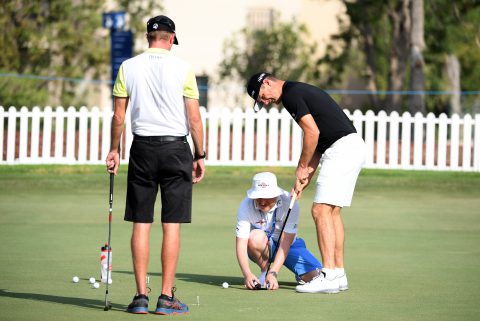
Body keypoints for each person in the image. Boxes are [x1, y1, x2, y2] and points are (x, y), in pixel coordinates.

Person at [105, 15, 205, 315]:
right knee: (171, 223)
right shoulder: (184, 67)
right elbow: (195, 119)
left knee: (141, 222)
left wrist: (114, 149)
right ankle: (165, 297)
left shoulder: (128, 66)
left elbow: (119, 117)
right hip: (176, 149)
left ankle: (139, 297)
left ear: (149, 37)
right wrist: (200, 155)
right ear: (171, 38)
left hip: (142, 149)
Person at [246, 72, 365, 294]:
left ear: (268, 82)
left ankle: (328, 275)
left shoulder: (291, 94)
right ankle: (338, 274)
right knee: (332, 212)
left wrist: (301, 166)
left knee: (320, 210)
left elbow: (312, 133)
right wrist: (305, 177)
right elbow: (319, 142)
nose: (264, 102)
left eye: (261, 96)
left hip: (341, 150)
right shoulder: (297, 90)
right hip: (350, 147)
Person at [236, 172, 323, 290]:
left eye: (266, 197)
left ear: (275, 194)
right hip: (263, 245)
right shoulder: (245, 205)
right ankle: (264, 272)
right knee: (255, 237)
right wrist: (247, 274)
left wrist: (274, 272)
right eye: (258, 197)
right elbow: (241, 244)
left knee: (317, 276)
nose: (261, 202)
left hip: (289, 245)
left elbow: (286, 242)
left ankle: (298, 273)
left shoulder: (291, 203)